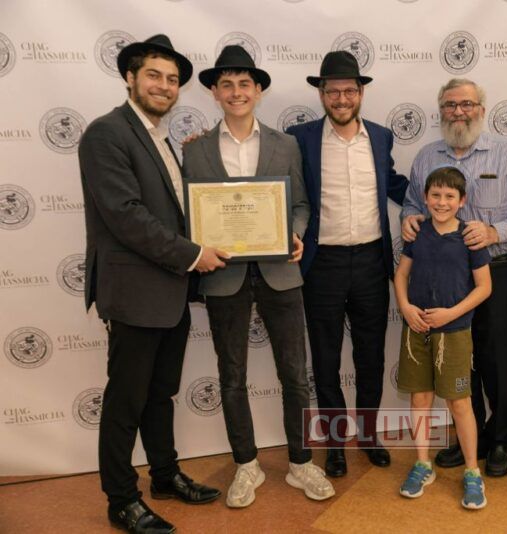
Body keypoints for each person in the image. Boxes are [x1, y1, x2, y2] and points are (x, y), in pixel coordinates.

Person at [78, 34, 227, 534]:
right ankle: (121, 499)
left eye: (172, 79)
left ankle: (164, 475)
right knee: (126, 400)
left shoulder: (160, 137)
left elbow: (175, 210)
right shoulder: (106, 133)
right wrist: (194, 255)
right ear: (130, 78)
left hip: (169, 291)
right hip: (135, 293)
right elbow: (126, 216)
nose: (164, 86)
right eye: (154, 76)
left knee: (160, 393)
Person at [182, 45, 334, 507]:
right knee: (231, 376)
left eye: (244, 84)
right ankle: (246, 464)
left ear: (259, 91)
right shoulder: (194, 150)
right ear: (213, 92)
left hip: (279, 273)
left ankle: (301, 463)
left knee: (296, 375)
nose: (236, 92)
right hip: (222, 277)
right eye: (226, 84)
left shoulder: (285, 145)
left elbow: (301, 204)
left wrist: (295, 233)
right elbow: (189, 214)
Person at [401, 78, 507, 476]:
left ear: (481, 108)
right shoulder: (426, 156)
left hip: (494, 270)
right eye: (450, 105)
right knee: (459, 360)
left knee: (497, 358)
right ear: (440, 110)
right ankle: (469, 439)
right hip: (442, 275)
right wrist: (408, 219)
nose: (458, 111)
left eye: (466, 104)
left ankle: (501, 439)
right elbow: (411, 204)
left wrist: (496, 232)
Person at [286, 51, 408, 477]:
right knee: (325, 359)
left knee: (371, 357)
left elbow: (394, 184)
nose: (341, 99)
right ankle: (335, 444)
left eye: (349, 91)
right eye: (333, 91)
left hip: (372, 262)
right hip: (322, 265)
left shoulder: (381, 136)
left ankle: (369, 436)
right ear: (321, 94)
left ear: (361, 93)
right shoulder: (298, 138)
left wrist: (430, 202)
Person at [395, 166, 492, 510]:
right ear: (425, 197)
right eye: (435, 195)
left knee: (459, 403)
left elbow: (484, 287)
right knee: (420, 399)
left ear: (462, 200)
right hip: (417, 329)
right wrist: (405, 307)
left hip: (454, 332)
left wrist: (451, 314)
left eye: (450, 196)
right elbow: (401, 275)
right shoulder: (417, 233)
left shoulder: (469, 236)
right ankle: (423, 464)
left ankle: (472, 471)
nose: (441, 202)